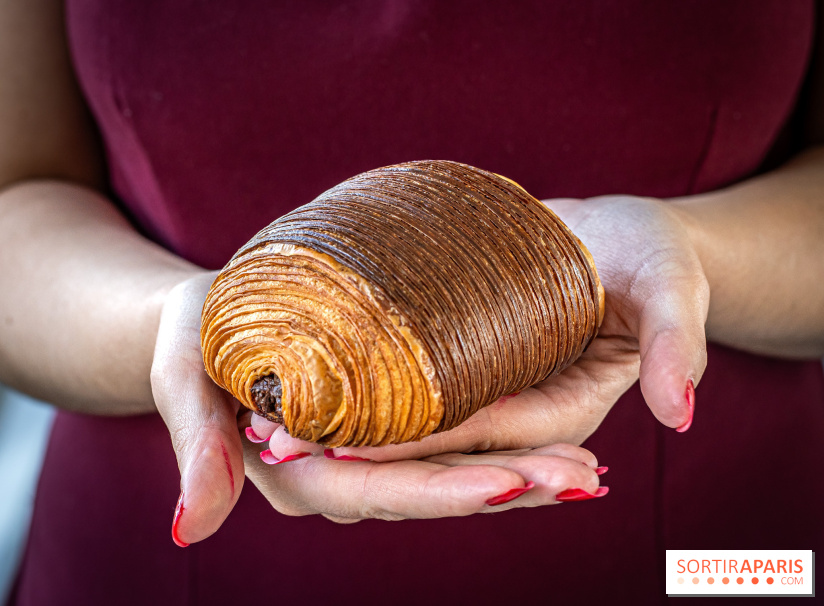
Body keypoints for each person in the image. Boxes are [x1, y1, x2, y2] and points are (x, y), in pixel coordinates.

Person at [2, 1, 822, 604]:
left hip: (715, 555)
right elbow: (17, 199)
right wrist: (171, 320)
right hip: (164, 539)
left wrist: (695, 253)